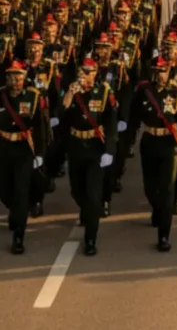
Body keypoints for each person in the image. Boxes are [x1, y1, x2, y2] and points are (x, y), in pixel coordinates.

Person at [128, 56, 177, 251]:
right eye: (157, 72)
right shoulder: (144, 91)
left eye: (163, 71)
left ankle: (164, 236)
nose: (160, 75)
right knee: (150, 187)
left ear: (169, 71)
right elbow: (134, 116)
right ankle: (157, 208)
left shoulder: (176, 91)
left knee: (167, 190)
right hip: (150, 141)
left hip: (169, 144)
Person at [59, 57, 118, 256]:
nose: (84, 76)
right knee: (77, 191)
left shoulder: (104, 92)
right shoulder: (71, 90)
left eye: (88, 72)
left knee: (94, 197)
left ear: (95, 73)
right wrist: (69, 94)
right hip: (76, 146)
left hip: (95, 148)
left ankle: (91, 239)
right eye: (82, 72)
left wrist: (109, 150)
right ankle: (85, 210)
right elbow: (59, 115)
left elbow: (111, 122)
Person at [0, 60, 49, 255]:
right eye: (11, 76)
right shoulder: (1, 96)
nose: (15, 80)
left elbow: (40, 126)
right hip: (3, 147)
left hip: (24, 149)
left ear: (24, 77)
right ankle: (15, 211)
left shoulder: (33, 96)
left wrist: (40, 153)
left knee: (21, 191)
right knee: (4, 190)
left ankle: (19, 235)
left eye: (19, 76)